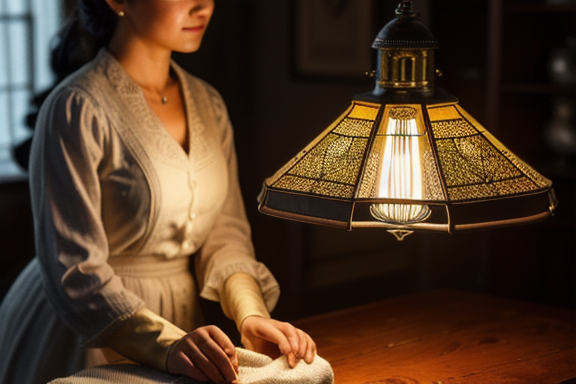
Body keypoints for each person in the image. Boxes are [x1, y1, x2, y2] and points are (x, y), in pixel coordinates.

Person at [0, 1, 317, 383]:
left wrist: (251, 315)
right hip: (91, 326)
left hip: (181, 320)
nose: (203, 7)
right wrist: (164, 345)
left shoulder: (208, 103)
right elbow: (75, 269)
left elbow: (225, 236)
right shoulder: (76, 108)